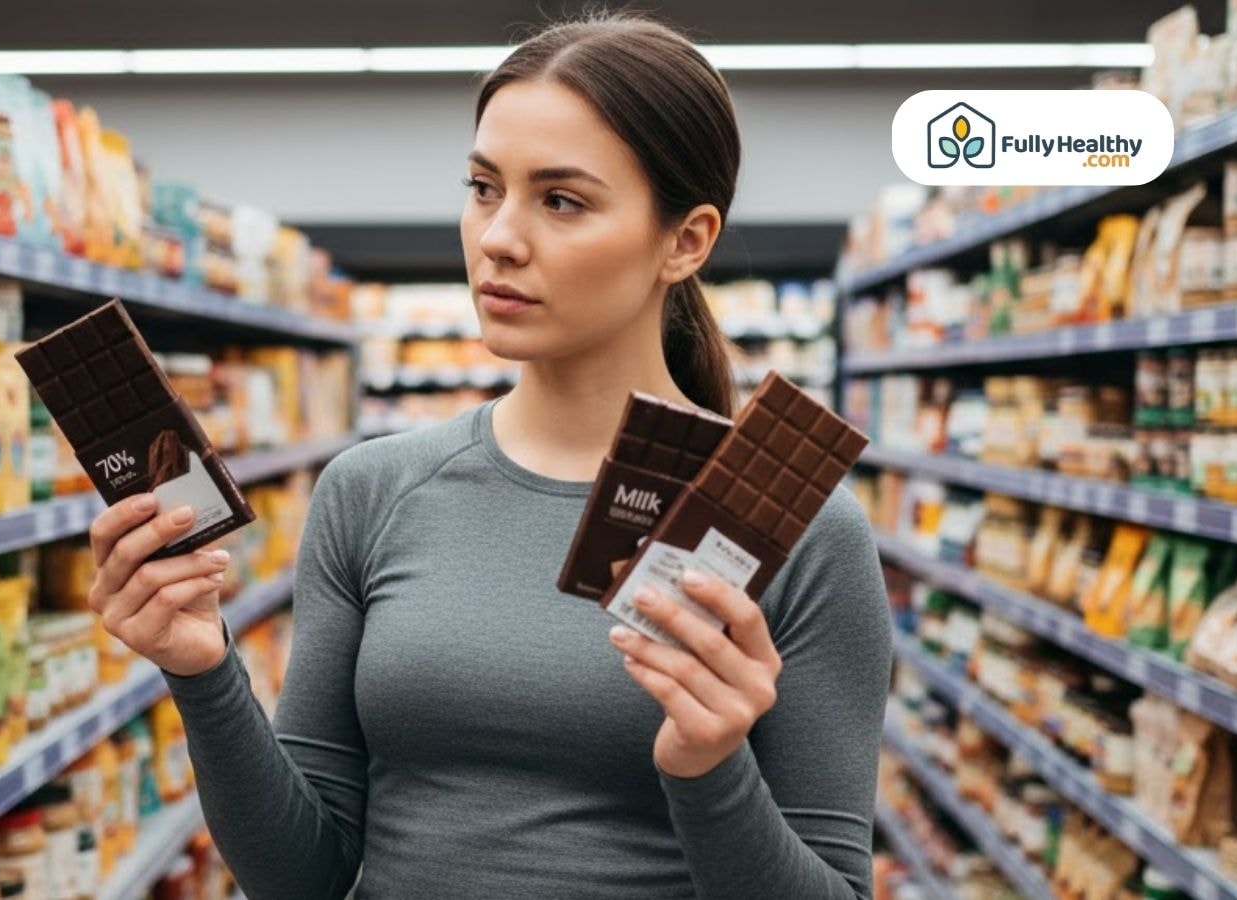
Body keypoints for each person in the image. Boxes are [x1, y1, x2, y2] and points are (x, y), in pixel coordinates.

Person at [86, 12, 890, 899]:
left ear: (686, 241)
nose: (498, 237)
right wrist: (202, 669)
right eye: (482, 187)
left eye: (561, 200)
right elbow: (303, 877)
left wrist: (708, 767)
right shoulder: (370, 490)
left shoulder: (799, 532)